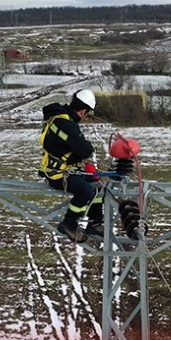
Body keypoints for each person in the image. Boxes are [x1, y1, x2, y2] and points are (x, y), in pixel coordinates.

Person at [38, 89, 103, 243]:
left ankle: (95, 222)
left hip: (63, 170)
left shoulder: (58, 118)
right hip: (57, 175)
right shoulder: (67, 125)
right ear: (82, 111)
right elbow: (85, 150)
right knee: (86, 191)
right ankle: (69, 224)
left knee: (98, 186)